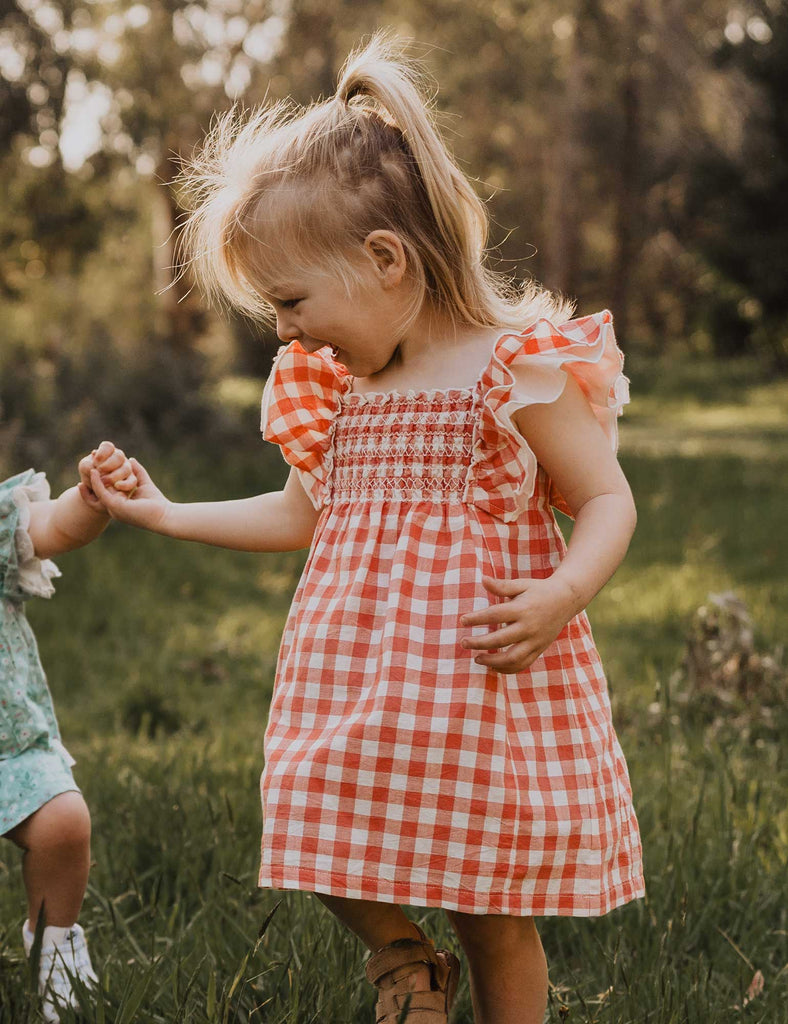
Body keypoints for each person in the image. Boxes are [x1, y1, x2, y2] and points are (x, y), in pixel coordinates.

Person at [89, 33, 644, 1024]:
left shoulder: (514, 372)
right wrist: (164, 511)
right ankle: (398, 957)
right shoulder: (338, 390)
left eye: (291, 299)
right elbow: (305, 512)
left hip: (479, 686)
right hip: (360, 683)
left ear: (383, 260)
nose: (284, 330)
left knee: (490, 901)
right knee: (308, 807)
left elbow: (607, 498)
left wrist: (562, 594)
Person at [1, 443, 136, 1022]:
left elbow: (54, 527)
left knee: (63, 823)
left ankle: (53, 949)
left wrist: (89, 500)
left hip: (9, 748)